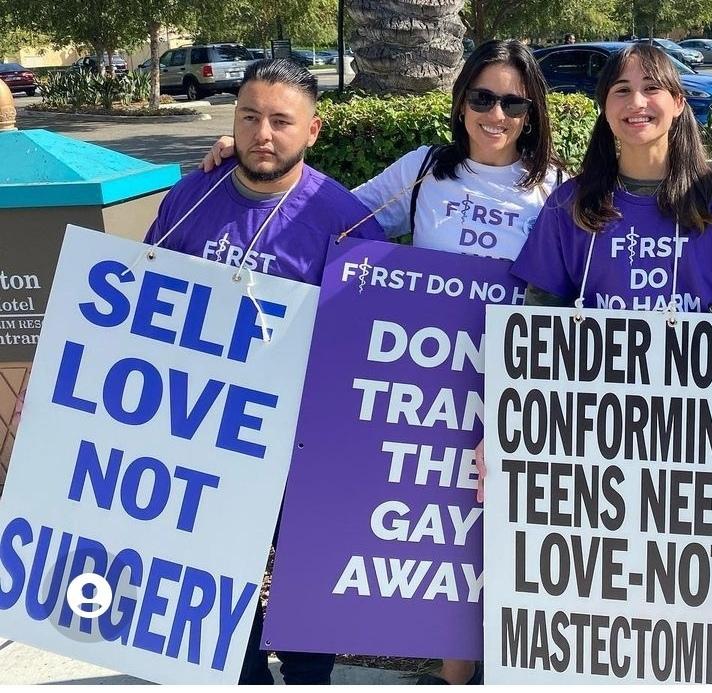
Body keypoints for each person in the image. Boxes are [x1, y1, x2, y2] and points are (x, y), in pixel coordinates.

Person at [202, 38, 560, 685]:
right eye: (483, 96)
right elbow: (322, 213)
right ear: (461, 102)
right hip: (425, 398)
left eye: (513, 101)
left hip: (512, 395)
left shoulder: (557, 188)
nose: (496, 113)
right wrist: (248, 158)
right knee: (447, 549)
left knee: (503, 551)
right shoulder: (424, 170)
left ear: (531, 111)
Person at [146, 58, 383, 684]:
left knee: (309, 564)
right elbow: (145, 291)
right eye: (249, 117)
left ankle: (308, 678)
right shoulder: (192, 194)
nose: (262, 135)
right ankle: (241, 674)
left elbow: (365, 342)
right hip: (202, 424)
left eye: (282, 121)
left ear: (314, 130)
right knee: (218, 561)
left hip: (305, 433)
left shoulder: (346, 220)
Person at [505, 41, 712, 494]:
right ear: (604, 106)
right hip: (592, 421)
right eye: (621, 90)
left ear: (678, 102)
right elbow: (539, 319)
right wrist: (509, 428)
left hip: (698, 423)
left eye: (651, 88)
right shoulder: (571, 204)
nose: (636, 103)